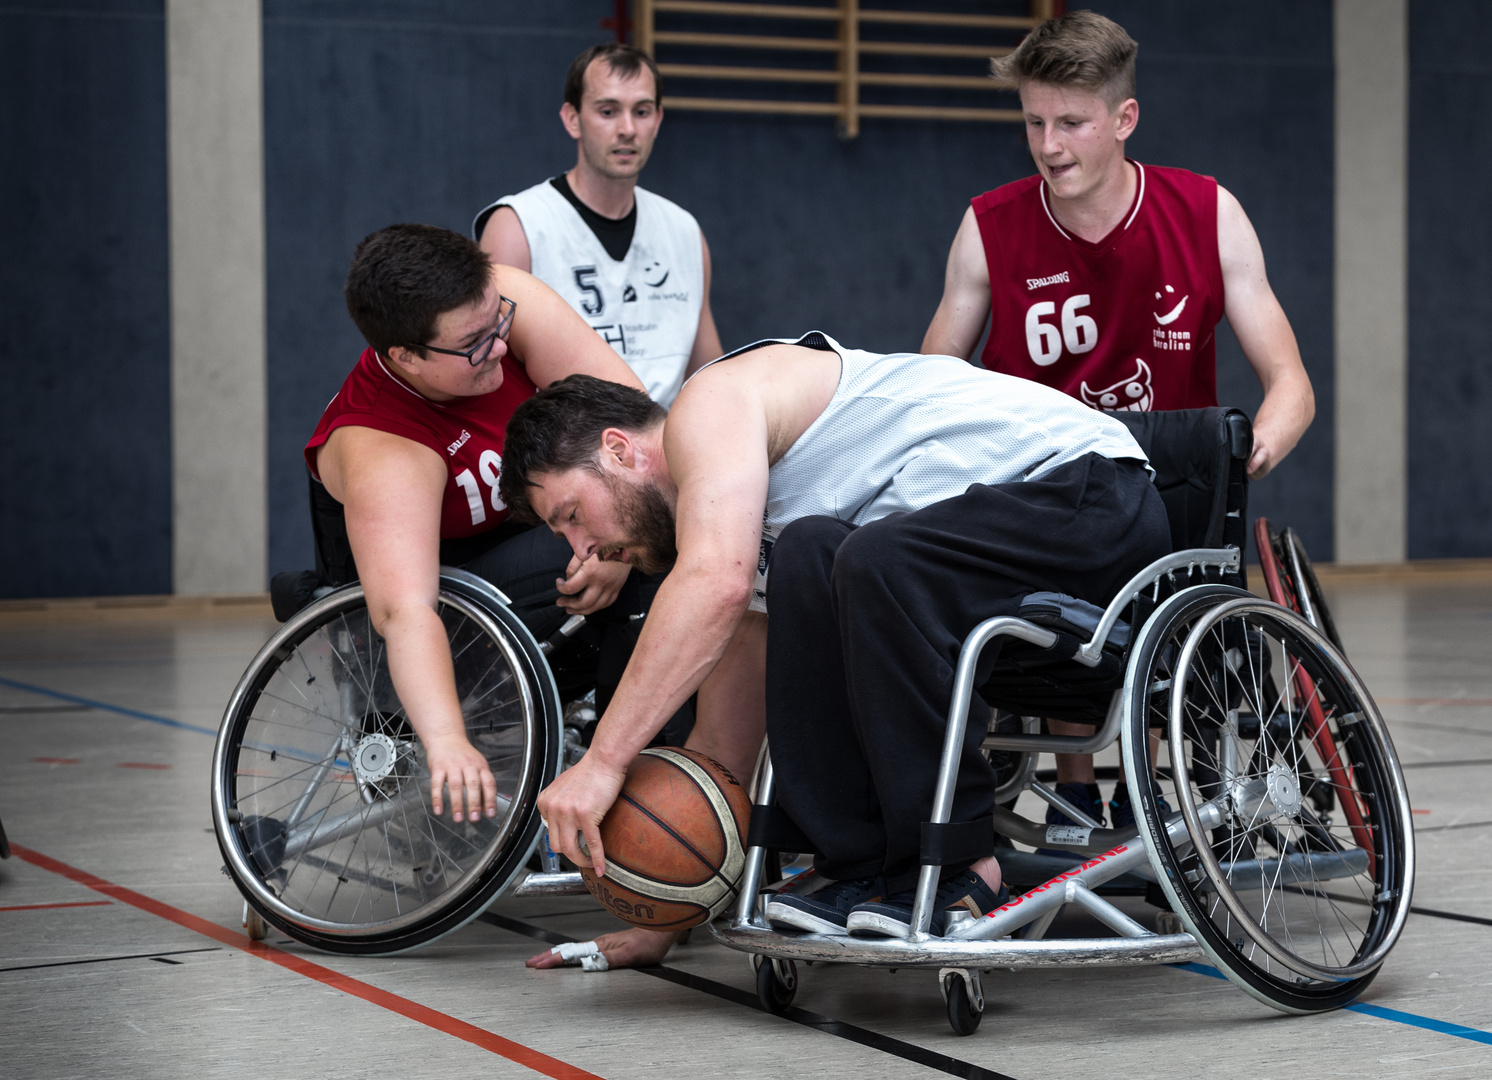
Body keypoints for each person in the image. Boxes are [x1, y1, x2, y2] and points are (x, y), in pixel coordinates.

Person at [503, 331, 1168, 959]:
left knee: (870, 556)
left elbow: (714, 584)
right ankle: (858, 865)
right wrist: (667, 906)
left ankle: (965, 858)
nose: (581, 549)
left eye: (571, 515)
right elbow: (721, 748)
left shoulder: (709, 407)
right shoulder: (745, 517)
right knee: (810, 552)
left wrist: (601, 763)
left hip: (1087, 494)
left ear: (620, 450)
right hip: (953, 551)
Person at [920, 10, 1315, 831]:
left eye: (1072, 122)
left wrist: (1252, 450)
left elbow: (1292, 384)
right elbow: (933, 385)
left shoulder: (1207, 214)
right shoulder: (989, 228)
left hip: (1170, 499)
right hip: (1045, 497)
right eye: (1034, 122)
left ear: (1124, 118)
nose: (1049, 144)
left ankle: (1164, 782)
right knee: (1046, 567)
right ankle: (1074, 789)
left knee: (1166, 563)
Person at [301, 224, 712, 834]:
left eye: (498, 323)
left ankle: (669, 773)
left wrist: (618, 544)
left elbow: (629, 424)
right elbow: (405, 614)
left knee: (668, 526)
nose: (498, 346)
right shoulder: (382, 447)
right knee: (662, 556)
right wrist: (445, 741)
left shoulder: (503, 306)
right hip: (442, 603)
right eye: (473, 344)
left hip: (539, 547)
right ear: (406, 356)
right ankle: (651, 798)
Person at [474, 42, 721, 408]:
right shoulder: (517, 227)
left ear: (658, 119)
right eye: (608, 111)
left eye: (641, 111)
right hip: (563, 453)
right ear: (572, 118)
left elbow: (709, 374)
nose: (627, 129)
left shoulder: (684, 231)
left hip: (666, 446)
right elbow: (492, 380)